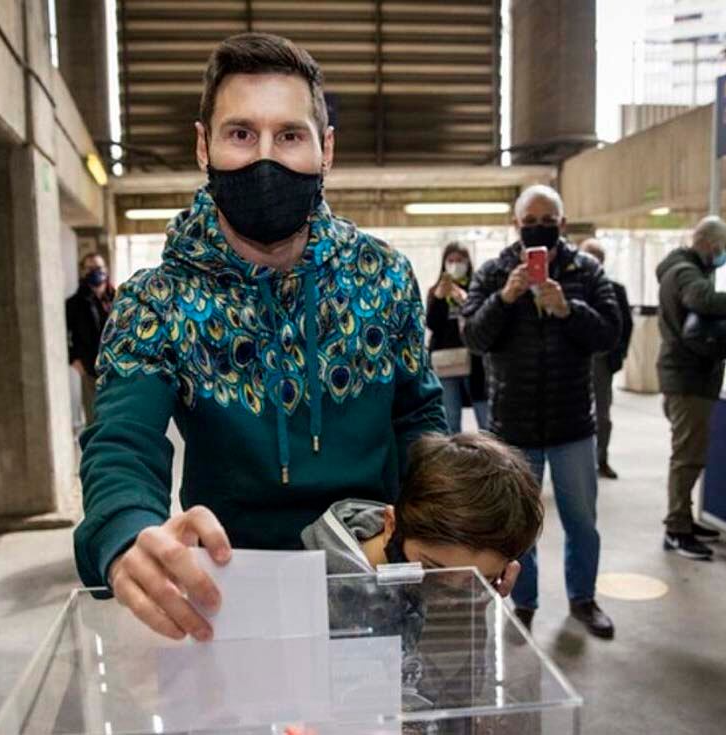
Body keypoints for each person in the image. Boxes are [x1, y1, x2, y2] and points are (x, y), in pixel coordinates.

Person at [74, 33, 455, 640]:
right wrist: (125, 532)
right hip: (227, 595)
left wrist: (456, 522)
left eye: (290, 135)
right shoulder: (156, 301)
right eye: (241, 133)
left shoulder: (383, 276)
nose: (266, 158)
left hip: (377, 577)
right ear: (205, 145)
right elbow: (122, 441)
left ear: (325, 150)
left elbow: (418, 417)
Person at [461, 184, 622, 638]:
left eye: (548, 221)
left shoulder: (586, 270)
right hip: (514, 425)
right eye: (530, 220)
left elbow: (609, 334)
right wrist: (505, 299)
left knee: (582, 522)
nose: (538, 229)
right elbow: (473, 336)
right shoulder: (495, 271)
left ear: (563, 224)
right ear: (516, 224)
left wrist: (568, 310)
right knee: (519, 528)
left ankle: (583, 600)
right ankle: (524, 602)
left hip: (572, 423)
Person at [301, 431, 541, 584]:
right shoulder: (316, 587)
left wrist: (481, 602)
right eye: (432, 569)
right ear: (391, 525)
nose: (451, 600)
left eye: (476, 583)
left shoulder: (463, 583)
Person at [656, 216, 726, 561]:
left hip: (690, 376)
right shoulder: (686, 272)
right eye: (725, 247)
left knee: (691, 453)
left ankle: (684, 519)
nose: (725, 253)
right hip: (687, 377)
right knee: (687, 456)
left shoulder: (682, 269)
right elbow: (704, 300)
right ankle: (676, 529)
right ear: (710, 243)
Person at [579, 239, 633, 479]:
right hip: (573, 360)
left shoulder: (614, 289)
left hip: (601, 360)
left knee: (602, 414)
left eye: (596, 258)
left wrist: (618, 354)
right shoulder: (568, 287)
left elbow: (625, 325)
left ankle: (601, 459)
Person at [425, 243, 488, 433]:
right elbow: (432, 324)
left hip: (475, 361)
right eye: (450, 261)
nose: (455, 265)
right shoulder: (435, 291)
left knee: (484, 415)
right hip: (446, 361)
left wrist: (465, 300)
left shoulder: (478, 289)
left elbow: (483, 321)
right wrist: (438, 299)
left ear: (468, 263)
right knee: (450, 418)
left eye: (460, 261)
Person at [66, 253, 114, 426]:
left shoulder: (118, 299)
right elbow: (62, 335)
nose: (95, 272)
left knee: (120, 418)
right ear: (83, 272)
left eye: (99, 268)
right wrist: (73, 359)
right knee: (96, 421)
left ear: (106, 271)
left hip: (118, 370)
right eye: (90, 268)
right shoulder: (74, 304)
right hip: (91, 370)